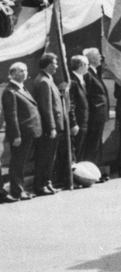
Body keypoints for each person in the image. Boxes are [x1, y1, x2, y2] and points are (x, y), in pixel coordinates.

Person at [2, 63, 40, 201]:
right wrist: (16, 135)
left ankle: (20, 189)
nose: (25, 73)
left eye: (25, 70)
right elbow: (11, 116)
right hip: (21, 134)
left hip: (29, 132)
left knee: (21, 163)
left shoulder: (22, 88)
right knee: (17, 163)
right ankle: (17, 191)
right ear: (12, 74)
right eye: (21, 71)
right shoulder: (10, 91)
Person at [31, 53, 65, 195]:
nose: (57, 66)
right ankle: (40, 186)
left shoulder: (48, 79)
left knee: (49, 157)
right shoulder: (44, 81)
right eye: (55, 63)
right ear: (48, 65)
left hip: (52, 127)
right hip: (48, 128)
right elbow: (46, 107)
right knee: (44, 157)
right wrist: (52, 127)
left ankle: (46, 182)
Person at [81, 48, 110, 181]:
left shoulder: (93, 73)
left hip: (99, 116)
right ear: (92, 59)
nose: (101, 57)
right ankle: (91, 174)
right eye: (98, 55)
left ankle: (95, 172)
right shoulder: (88, 75)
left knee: (96, 145)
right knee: (92, 146)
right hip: (94, 117)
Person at [67, 54, 90, 161]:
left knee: (80, 151)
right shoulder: (72, 81)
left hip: (83, 122)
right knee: (76, 151)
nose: (88, 66)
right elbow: (70, 104)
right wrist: (73, 123)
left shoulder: (80, 79)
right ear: (80, 66)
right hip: (78, 124)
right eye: (86, 64)